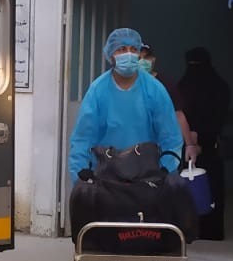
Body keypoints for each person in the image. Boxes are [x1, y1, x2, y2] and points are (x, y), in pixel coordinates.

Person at [68, 28, 183, 184]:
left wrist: (166, 169)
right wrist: (81, 171)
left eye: (133, 49)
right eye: (122, 49)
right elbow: (83, 137)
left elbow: (170, 136)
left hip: (147, 176)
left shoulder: (154, 89)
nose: (128, 54)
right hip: (106, 176)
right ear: (111, 55)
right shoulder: (98, 91)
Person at [177, 48, 232, 241]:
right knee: (211, 187)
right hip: (209, 144)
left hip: (189, 144)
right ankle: (212, 230)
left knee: (189, 185)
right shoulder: (219, 86)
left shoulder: (183, 85)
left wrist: (191, 138)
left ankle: (190, 229)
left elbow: (180, 113)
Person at [137, 44, 197, 165]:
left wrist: (190, 145)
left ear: (153, 59)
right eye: (138, 58)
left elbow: (178, 114)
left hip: (162, 149)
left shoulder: (165, 84)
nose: (143, 61)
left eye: (146, 57)